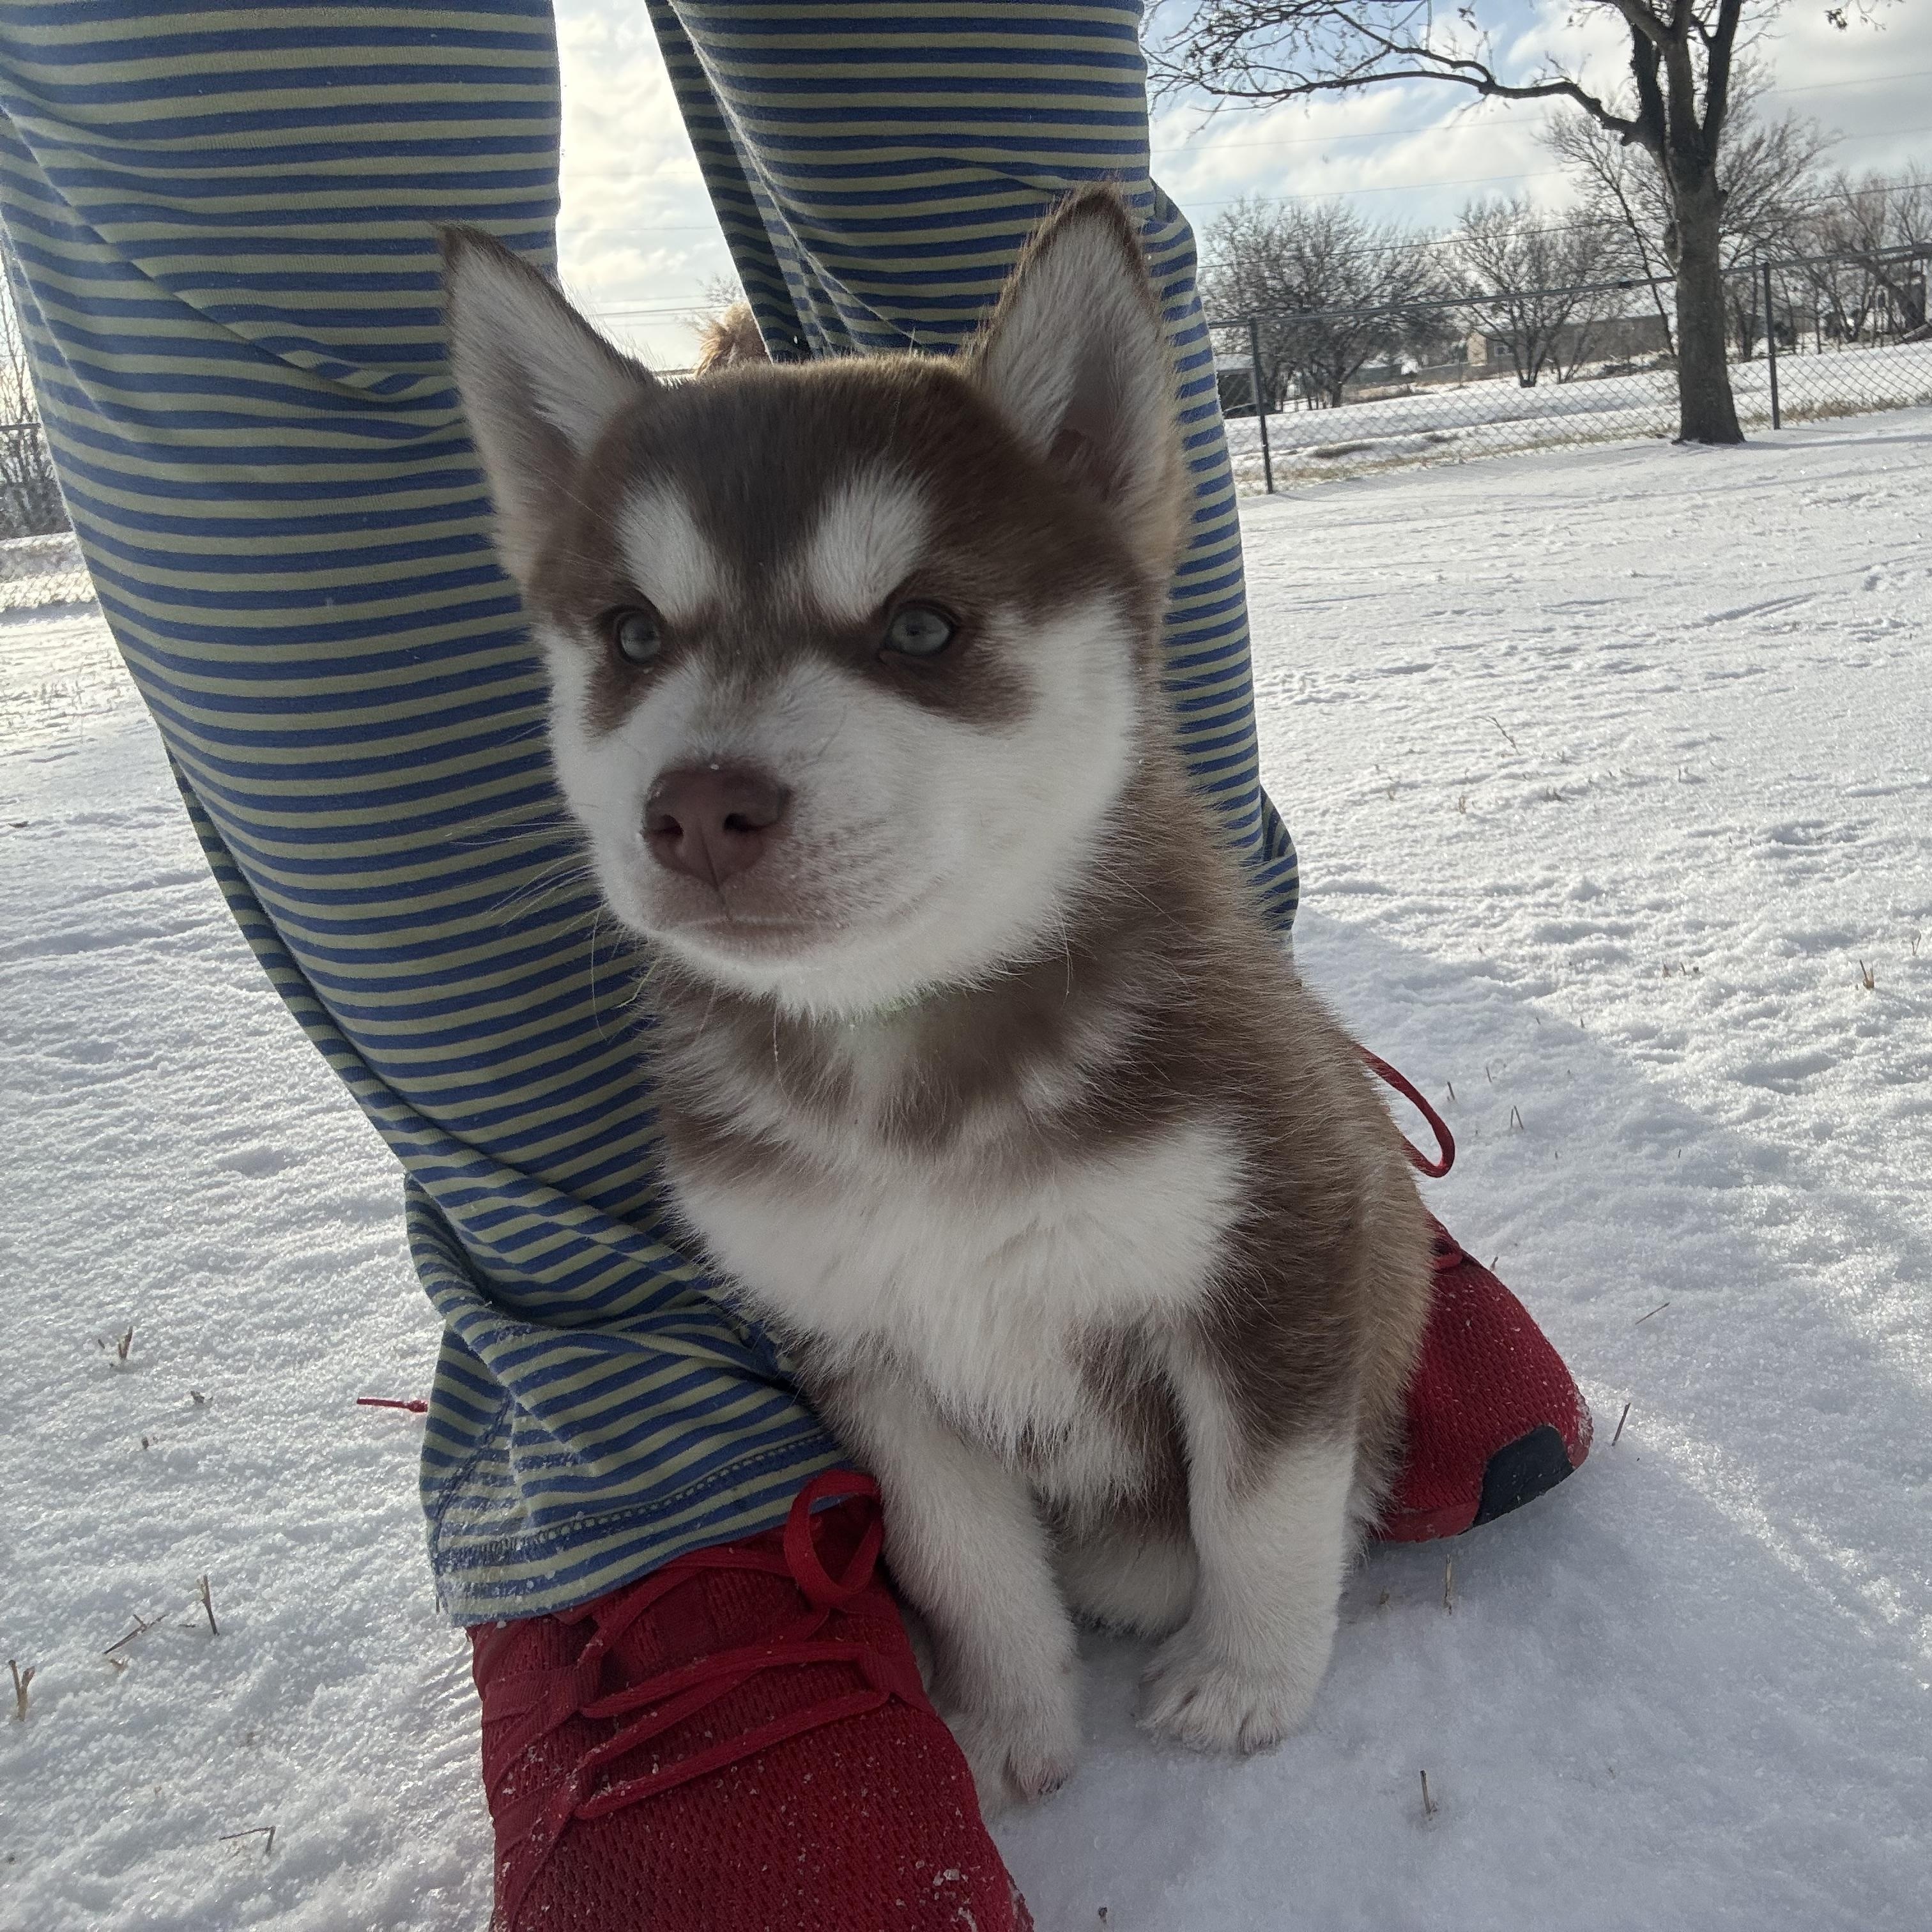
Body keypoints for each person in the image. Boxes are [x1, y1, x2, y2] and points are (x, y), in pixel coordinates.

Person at [0, 6, 1587, 1926]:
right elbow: (874, 1373)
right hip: (783, 1141)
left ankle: (1304, 1148)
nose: (708, 781)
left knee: (956, 96)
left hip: (1145, 1049)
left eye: (915, 626)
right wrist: (1004, 1668)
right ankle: (636, 1423)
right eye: (637, 639)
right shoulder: (726, 1101)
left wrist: (1268, 1629)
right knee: (258, 166)